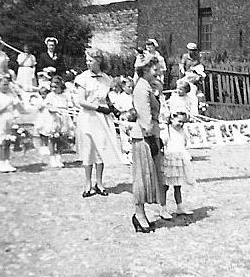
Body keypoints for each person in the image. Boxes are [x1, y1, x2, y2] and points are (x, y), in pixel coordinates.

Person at [74, 48, 124, 198]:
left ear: (99, 61)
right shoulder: (82, 78)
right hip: (88, 117)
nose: (88, 62)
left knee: (101, 149)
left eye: (91, 60)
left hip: (102, 119)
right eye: (87, 60)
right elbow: (82, 101)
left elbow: (108, 98)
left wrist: (113, 108)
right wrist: (99, 108)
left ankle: (99, 182)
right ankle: (88, 183)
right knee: (88, 149)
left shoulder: (106, 79)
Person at [133, 52, 173, 220]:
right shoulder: (142, 89)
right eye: (155, 69)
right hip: (144, 137)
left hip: (150, 135)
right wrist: (151, 138)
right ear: (146, 69)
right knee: (142, 176)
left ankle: (141, 214)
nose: (158, 73)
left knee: (150, 175)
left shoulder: (147, 86)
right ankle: (139, 215)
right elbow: (145, 117)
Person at [0, 73, 25, 173]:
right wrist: (7, 104)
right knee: (1, 142)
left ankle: (7, 162)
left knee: (8, 142)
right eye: (3, 84)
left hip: (9, 120)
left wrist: (17, 101)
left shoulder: (10, 96)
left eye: (7, 84)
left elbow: (19, 109)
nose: (6, 86)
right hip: (0, 121)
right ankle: (1, 163)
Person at [161, 111, 194, 215]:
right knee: (165, 186)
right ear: (171, 119)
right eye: (179, 121)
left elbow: (184, 143)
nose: (181, 124)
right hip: (169, 160)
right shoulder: (167, 131)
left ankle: (179, 207)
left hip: (178, 160)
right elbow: (162, 144)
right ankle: (163, 209)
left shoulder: (182, 131)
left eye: (183, 122)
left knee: (178, 185)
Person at [43, 76, 74, 168]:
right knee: (53, 138)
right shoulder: (50, 96)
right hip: (54, 118)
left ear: (61, 86)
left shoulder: (65, 96)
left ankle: (58, 157)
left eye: (56, 87)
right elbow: (49, 107)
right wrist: (56, 111)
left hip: (64, 118)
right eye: (52, 87)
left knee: (62, 138)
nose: (53, 89)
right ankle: (52, 158)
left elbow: (69, 106)